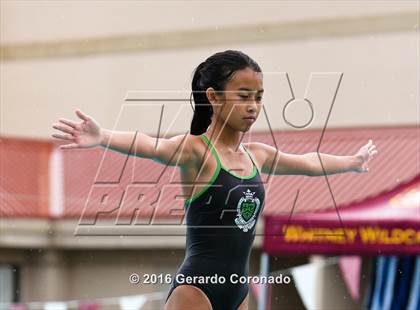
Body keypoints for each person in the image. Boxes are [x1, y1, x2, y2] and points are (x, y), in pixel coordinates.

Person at [51, 50, 378, 310]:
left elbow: (307, 162)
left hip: (238, 290)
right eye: (244, 96)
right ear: (214, 97)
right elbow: (150, 146)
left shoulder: (257, 155)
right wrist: (102, 135)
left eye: (259, 97)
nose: (253, 107)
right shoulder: (197, 150)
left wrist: (352, 162)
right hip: (197, 288)